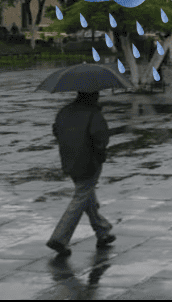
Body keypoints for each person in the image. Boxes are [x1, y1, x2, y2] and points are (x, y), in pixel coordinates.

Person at [47, 91, 114, 257]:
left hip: (69, 160)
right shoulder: (93, 113)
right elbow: (101, 138)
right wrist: (100, 153)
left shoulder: (64, 111)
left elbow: (56, 130)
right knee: (81, 196)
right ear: (92, 96)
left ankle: (102, 231)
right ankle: (60, 237)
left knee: (86, 194)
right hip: (89, 162)